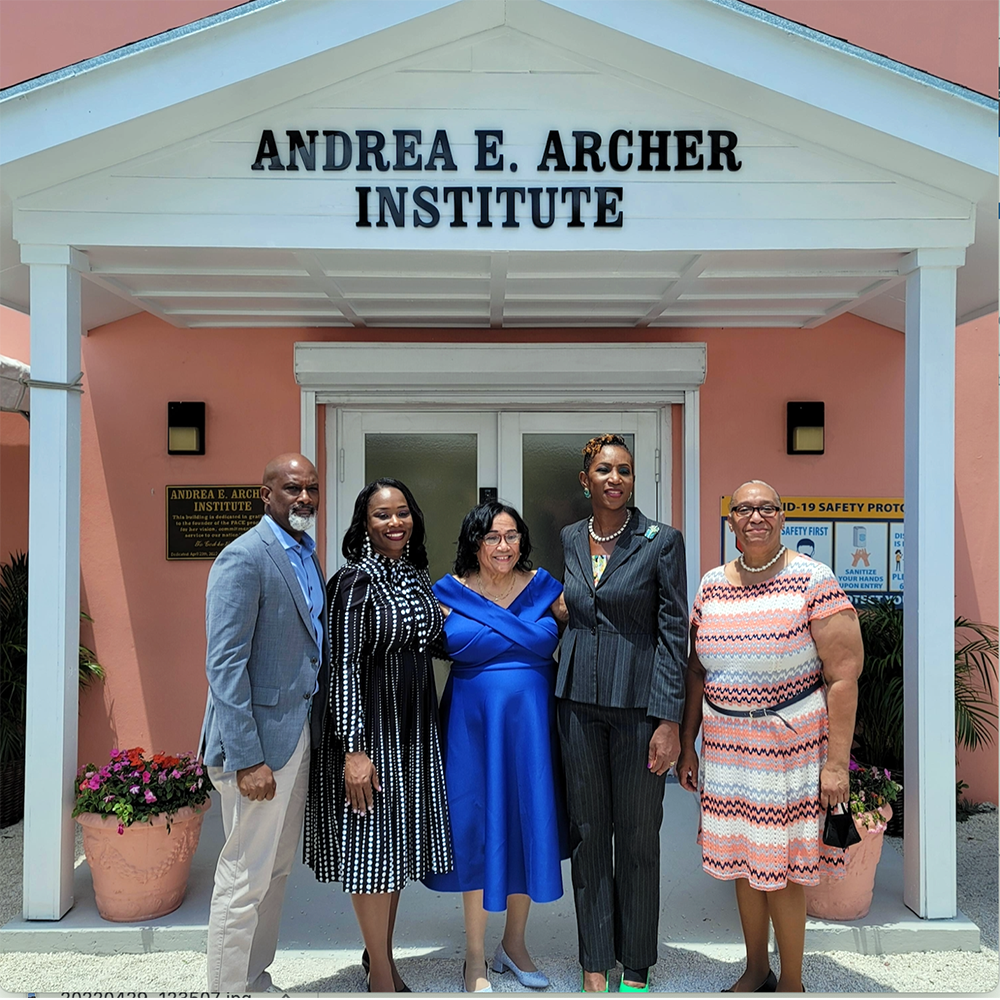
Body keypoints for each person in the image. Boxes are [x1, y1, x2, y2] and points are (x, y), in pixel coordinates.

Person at [677, 480, 863, 993]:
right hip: (726, 748)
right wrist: (689, 739)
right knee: (743, 860)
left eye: (766, 508)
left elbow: (843, 674)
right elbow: (697, 669)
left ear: (782, 518)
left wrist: (836, 764)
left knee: (779, 865)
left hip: (791, 748)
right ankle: (756, 968)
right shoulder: (712, 583)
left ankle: (793, 983)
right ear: (730, 520)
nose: (755, 516)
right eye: (744, 509)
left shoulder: (813, 579)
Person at [304, 478, 453, 994]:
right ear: (364, 524)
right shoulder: (353, 583)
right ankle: (383, 980)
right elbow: (340, 667)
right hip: (371, 735)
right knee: (371, 856)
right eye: (382, 515)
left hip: (413, 731)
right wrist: (353, 750)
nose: (395, 523)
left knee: (394, 856)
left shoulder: (414, 578)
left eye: (402, 513)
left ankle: (379, 958)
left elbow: (435, 642)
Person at [555, 434, 688, 993]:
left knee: (637, 836)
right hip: (578, 706)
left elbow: (672, 631)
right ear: (585, 480)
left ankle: (635, 961)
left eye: (626, 471)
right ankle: (594, 958)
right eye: (604, 470)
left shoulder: (661, 541)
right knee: (588, 835)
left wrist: (668, 720)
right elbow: (560, 605)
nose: (615, 479)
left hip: (639, 708)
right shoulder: (567, 540)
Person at [424, 501, 568, 993]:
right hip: (471, 726)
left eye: (511, 536)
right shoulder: (444, 594)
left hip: (531, 725)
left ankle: (516, 943)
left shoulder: (549, 590)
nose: (503, 546)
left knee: (526, 822)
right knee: (477, 829)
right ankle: (475, 956)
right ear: (474, 542)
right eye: (492, 537)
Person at [200, 453, 326, 994]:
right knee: (243, 874)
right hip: (257, 745)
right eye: (292, 487)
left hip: (295, 733)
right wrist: (248, 757)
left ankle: (254, 976)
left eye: (312, 488)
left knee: (273, 870)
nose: (304, 498)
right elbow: (224, 665)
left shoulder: (304, 553)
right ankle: (226, 989)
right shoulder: (244, 557)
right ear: (266, 493)